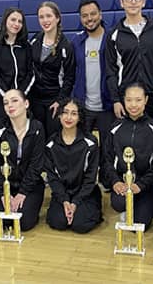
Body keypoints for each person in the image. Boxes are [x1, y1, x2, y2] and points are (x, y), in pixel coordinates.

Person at [102, 82, 153, 229]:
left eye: (138, 100)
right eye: (129, 100)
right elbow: (107, 159)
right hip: (123, 183)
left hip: (146, 186)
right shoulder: (115, 127)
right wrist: (115, 181)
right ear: (123, 100)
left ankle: (146, 206)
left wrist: (140, 185)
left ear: (146, 100)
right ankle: (129, 207)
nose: (133, 105)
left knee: (139, 225)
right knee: (118, 203)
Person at [0, 89, 45, 232]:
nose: (9, 106)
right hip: (6, 185)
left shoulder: (37, 127)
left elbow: (36, 164)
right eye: (6, 103)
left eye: (14, 101)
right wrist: (3, 193)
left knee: (23, 223)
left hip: (30, 185)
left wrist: (22, 193)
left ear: (26, 103)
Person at [72, 0, 115, 186]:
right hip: (84, 105)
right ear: (81, 19)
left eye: (93, 14)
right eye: (85, 15)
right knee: (82, 146)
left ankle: (107, 181)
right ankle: (82, 180)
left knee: (108, 148)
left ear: (100, 14)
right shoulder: (77, 42)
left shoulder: (112, 38)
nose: (89, 19)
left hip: (107, 105)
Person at [45, 98, 103, 233]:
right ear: (59, 115)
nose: (69, 117)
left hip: (85, 193)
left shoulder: (91, 143)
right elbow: (53, 178)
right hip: (62, 193)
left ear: (79, 118)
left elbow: (90, 178)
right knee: (58, 222)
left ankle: (93, 206)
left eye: (74, 113)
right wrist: (65, 201)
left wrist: (76, 202)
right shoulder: (50, 144)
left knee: (80, 225)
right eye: (65, 112)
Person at [29, 1, 76, 137]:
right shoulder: (35, 40)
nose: (45, 20)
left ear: (57, 18)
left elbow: (69, 78)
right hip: (35, 100)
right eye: (41, 17)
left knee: (53, 138)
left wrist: (60, 101)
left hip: (54, 101)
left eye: (48, 16)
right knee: (37, 138)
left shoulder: (65, 46)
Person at [0, 7, 32, 122]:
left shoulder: (26, 46)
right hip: (1, 101)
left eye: (20, 21)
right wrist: (8, 97)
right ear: (5, 20)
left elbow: (31, 73)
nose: (16, 24)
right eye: (13, 20)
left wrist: (21, 95)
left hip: (22, 100)